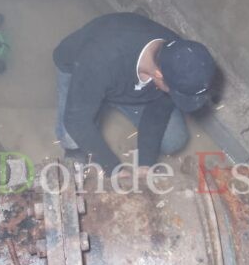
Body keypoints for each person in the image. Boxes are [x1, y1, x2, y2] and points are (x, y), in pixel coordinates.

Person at [53, 12, 216, 174]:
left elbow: (157, 113)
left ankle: (111, 100)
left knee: (174, 140)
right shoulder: (100, 59)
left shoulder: (178, 61)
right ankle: (78, 144)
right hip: (79, 69)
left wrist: (145, 163)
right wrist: (113, 168)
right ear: (158, 75)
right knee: (74, 139)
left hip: (126, 81)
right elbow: (76, 121)